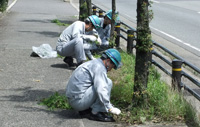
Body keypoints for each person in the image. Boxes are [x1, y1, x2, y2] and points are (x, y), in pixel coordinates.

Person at [66, 48, 122, 122]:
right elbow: (101, 89)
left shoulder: (94, 62)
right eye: (113, 66)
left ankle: (89, 109)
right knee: (107, 83)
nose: (111, 69)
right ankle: (96, 112)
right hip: (78, 102)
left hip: (73, 98)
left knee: (102, 82)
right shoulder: (100, 68)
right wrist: (109, 107)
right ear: (108, 61)